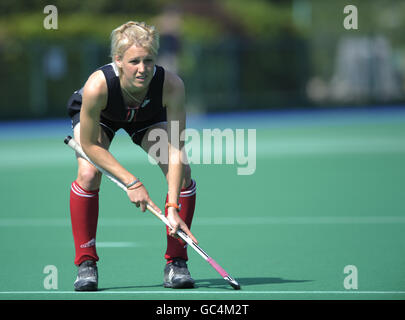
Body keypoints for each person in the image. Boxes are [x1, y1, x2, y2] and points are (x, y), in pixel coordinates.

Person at [66, 21, 198, 291]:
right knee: (89, 173)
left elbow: (175, 147)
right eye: (134, 61)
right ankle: (86, 263)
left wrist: (172, 207)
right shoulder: (97, 86)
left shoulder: (171, 85)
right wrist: (131, 182)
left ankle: (176, 262)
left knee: (183, 172)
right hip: (102, 116)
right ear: (118, 61)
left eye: (148, 60)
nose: (142, 69)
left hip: (146, 116)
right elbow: (91, 146)